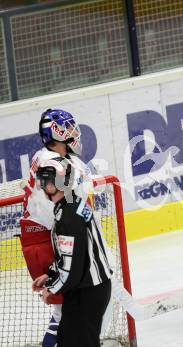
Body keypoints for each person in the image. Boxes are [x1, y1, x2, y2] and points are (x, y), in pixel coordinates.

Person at [19, 108, 91, 346]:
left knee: (69, 313)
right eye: (68, 128)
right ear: (57, 132)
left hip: (41, 239)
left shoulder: (48, 157)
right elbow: (60, 216)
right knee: (66, 315)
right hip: (44, 241)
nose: (74, 132)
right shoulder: (52, 164)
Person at [32, 156, 112, 347]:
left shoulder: (67, 218)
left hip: (86, 293)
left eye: (44, 182)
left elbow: (71, 272)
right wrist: (50, 274)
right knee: (68, 338)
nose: (42, 187)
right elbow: (75, 254)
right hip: (91, 289)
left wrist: (50, 289)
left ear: (52, 185)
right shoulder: (74, 203)